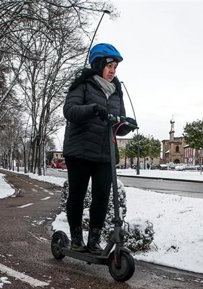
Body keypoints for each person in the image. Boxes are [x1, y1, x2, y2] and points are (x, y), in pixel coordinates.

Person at [62, 43, 136, 254]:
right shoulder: (83, 85)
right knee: (77, 194)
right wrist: (93, 109)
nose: (113, 70)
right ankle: (76, 239)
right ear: (98, 64)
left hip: (105, 152)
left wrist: (125, 125)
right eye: (109, 65)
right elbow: (70, 111)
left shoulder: (116, 91)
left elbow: (116, 123)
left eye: (115, 67)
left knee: (102, 196)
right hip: (80, 150)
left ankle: (94, 241)